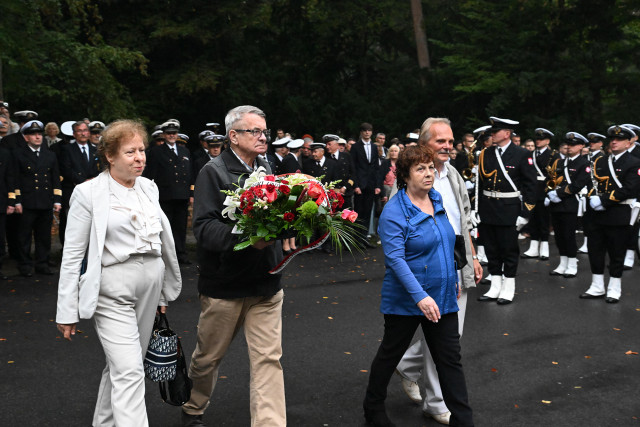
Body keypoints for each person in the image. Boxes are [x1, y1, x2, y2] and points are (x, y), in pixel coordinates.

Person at [56, 119, 182, 426]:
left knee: (124, 366)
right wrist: (66, 309)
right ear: (110, 156)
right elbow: (73, 255)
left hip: (150, 285)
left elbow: (159, 243)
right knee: (129, 371)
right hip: (112, 289)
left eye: (141, 150)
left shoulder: (149, 187)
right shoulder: (88, 193)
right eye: (130, 152)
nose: (139, 157)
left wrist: (164, 290)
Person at [182, 105, 286, 427]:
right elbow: (204, 229)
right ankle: (193, 406)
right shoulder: (212, 172)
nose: (262, 137)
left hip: (266, 283)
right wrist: (247, 238)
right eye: (254, 131)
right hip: (225, 286)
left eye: (264, 131)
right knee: (207, 358)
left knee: (268, 360)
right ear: (233, 136)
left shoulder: (269, 167)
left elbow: (279, 214)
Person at [363, 145, 474, 427]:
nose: (428, 174)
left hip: (443, 296)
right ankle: (373, 408)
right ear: (405, 174)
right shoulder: (394, 212)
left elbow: (446, 243)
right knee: (391, 354)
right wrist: (420, 297)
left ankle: (464, 420)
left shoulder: (435, 199)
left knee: (450, 361)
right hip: (407, 299)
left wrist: (452, 279)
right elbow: (396, 260)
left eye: (429, 167)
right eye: (420, 169)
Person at [394, 119, 481, 426]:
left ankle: (405, 363)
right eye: (440, 141)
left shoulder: (454, 174)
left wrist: (473, 257)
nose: (447, 146)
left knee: (450, 337)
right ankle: (435, 402)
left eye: (450, 141)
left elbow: (463, 219)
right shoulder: (408, 179)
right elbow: (400, 229)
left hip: (457, 262)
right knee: (444, 341)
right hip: (428, 267)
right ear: (423, 144)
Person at [476, 117, 536, 305]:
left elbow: (531, 186)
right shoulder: (485, 153)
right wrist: (475, 209)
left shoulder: (521, 154)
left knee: (508, 250)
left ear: (507, 133)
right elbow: (480, 183)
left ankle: (508, 287)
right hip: (488, 208)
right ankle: (494, 285)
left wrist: (525, 213)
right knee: (491, 249)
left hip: (509, 210)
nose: (492, 134)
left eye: (496, 131)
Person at [580, 125, 640, 303]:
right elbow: (592, 182)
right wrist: (591, 196)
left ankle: (614, 288)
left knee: (616, 252)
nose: (614, 142)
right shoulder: (600, 161)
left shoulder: (635, 162)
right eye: (612, 139)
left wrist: (604, 200)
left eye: (620, 139)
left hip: (618, 212)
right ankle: (597, 286)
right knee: (595, 250)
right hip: (596, 214)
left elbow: (631, 188)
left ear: (629, 143)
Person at [13, 120, 62, 276]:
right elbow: (14, 179)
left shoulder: (50, 155)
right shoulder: (18, 154)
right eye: (33, 134)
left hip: (45, 201)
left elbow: (55, 178)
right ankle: (25, 265)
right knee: (24, 237)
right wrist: (16, 200)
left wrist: (57, 200)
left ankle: (42, 264)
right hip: (26, 202)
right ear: (26, 137)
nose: (37, 137)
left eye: (39, 134)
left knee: (44, 236)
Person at [143, 120, 194, 264]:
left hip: (182, 195)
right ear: (164, 135)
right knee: (166, 227)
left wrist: (191, 194)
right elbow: (150, 174)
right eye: (169, 133)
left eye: (174, 133)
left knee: (181, 227)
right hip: (165, 195)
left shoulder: (185, 151)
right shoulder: (156, 151)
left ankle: (181, 254)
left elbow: (190, 174)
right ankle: (166, 255)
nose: (172, 135)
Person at [546, 132, 590, 277]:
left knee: (568, 235)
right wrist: (549, 192)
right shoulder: (559, 162)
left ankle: (572, 263)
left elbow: (578, 184)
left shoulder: (584, 163)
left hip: (571, 204)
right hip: (556, 204)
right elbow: (551, 178)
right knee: (558, 236)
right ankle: (562, 263)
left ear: (581, 146)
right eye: (567, 144)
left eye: (573, 145)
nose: (569, 147)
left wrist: (558, 194)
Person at [60, 121, 101, 246]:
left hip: (93, 192)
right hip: (73, 190)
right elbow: (66, 169)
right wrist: (83, 182)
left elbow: (100, 169)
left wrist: (93, 181)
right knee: (71, 223)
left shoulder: (96, 150)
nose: (83, 133)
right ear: (74, 134)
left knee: (91, 224)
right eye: (79, 131)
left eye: (85, 130)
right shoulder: (66, 150)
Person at [522, 128, 556, 260]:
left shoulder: (553, 155)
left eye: (541, 139)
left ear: (547, 141)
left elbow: (555, 176)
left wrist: (550, 193)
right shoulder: (529, 154)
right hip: (532, 191)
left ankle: (545, 247)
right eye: (537, 139)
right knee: (533, 220)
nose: (538, 141)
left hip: (545, 190)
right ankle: (533, 247)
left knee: (544, 220)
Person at [352, 122, 382, 247]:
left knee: (368, 213)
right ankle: (357, 240)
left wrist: (377, 185)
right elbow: (353, 167)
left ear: (371, 132)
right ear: (361, 132)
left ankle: (364, 239)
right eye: (364, 130)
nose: (367, 132)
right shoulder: (355, 147)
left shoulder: (375, 147)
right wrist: (356, 185)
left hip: (370, 185)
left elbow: (376, 167)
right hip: (360, 184)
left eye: (369, 130)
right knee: (358, 213)